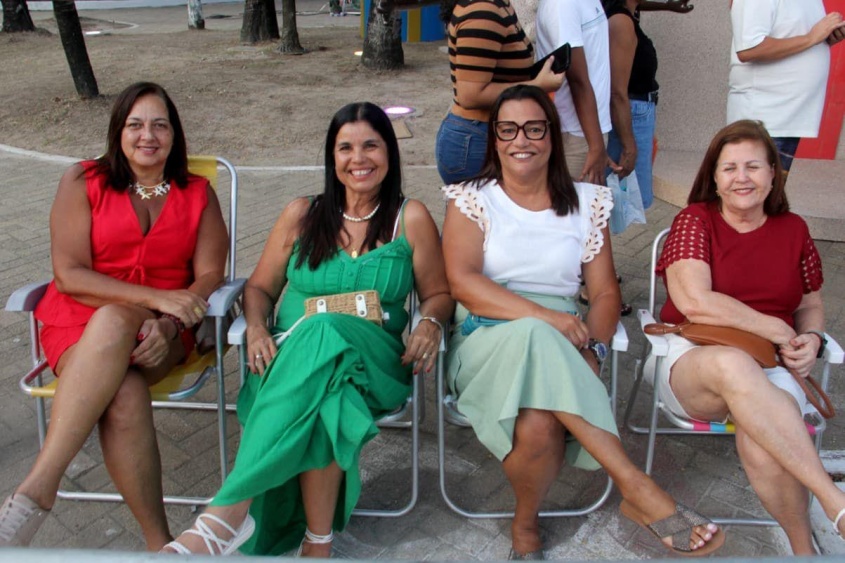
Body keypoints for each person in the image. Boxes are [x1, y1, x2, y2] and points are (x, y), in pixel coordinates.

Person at [441, 84, 724, 559]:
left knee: (537, 427)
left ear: (552, 135)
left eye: (535, 127)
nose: (521, 140)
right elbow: (464, 284)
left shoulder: (586, 203)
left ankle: (525, 525)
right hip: (485, 335)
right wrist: (547, 318)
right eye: (507, 129)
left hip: (568, 341)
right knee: (534, 332)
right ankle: (635, 483)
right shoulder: (472, 199)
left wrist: (593, 346)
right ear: (494, 138)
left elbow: (607, 292)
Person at [163, 102, 453, 557]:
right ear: (331, 158)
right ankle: (318, 541)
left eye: (371, 145)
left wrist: (432, 320)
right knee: (328, 399)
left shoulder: (410, 218)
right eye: (346, 148)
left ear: (390, 155)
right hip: (284, 361)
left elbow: (438, 293)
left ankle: (226, 515)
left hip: (374, 362)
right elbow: (259, 287)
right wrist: (256, 327)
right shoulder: (301, 213)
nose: (359, 158)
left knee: (323, 328)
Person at [0, 82, 229, 550]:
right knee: (121, 385)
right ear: (118, 131)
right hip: (80, 324)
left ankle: (35, 492)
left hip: (162, 335)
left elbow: (208, 275)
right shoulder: (84, 182)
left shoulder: (195, 192)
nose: (149, 135)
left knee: (121, 335)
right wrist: (158, 298)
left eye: (160, 125)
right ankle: (158, 543)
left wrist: (169, 321)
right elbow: (68, 274)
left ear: (174, 134)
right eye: (136, 124)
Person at [651, 119, 845, 554]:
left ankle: (804, 550)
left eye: (753, 167)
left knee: (762, 443)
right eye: (729, 168)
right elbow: (695, 301)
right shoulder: (694, 221)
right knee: (732, 363)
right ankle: (835, 503)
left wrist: (811, 338)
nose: (742, 177)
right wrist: (774, 327)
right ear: (714, 178)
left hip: (772, 365)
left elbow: (810, 303)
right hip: (694, 358)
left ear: (773, 174)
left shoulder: (793, 229)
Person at [434, 0, 564, 185]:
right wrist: (537, 86)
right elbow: (470, 95)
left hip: (483, 134)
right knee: (476, 213)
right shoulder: (483, 10)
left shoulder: (498, 5)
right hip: (476, 140)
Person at [728, 0, 845, 178]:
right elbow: (749, 49)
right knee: (750, 194)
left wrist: (825, 38)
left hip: (788, 117)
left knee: (768, 196)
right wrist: (811, 38)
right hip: (763, 119)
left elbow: (794, 37)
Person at [604, 0, 693, 209]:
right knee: (631, 199)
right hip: (631, 114)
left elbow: (638, 4)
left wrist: (666, 6)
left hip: (637, 111)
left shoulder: (627, 12)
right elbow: (617, 92)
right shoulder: (621, 21)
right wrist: (629, 146)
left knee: (627, 198)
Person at [535, 0, 618, 186]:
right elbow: (577, 80)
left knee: (590, 210)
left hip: (590, 131)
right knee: (575, 210)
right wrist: (596, 146)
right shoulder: (563, 5)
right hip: (576, 135)